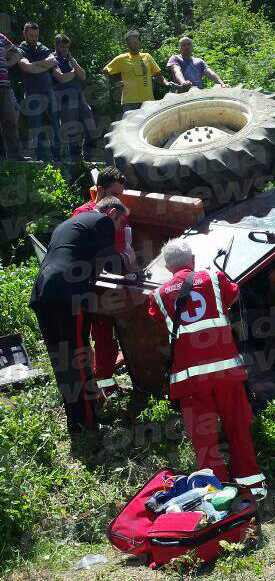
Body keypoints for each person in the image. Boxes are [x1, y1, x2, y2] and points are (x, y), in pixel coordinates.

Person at [147, 239, 266, 498]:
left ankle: (216, 497)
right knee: (238, 429)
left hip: (190, 383)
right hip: (227, 375)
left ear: (167, 268)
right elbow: (233, 294)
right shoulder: (214, 279)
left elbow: (155, 318)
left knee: (205, 443)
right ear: (191, 260)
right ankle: (252, 488)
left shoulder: (158, 295)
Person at [30, 198, 136, 435]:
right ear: (111, 212)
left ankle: (76, 423)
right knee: (78, 360)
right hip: (68, 295)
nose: (118, 229)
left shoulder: (72, 224)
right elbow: (111, 264)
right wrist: (127, 259)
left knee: (63, 362)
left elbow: (91, 264)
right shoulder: (101, 222)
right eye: (120, 223)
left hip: (44, 292)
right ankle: (88, 425)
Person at [72, 167, 131, 397]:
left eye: (121, 194)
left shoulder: (117, 212)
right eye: (114, 193)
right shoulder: (83, 215)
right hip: (95, 287)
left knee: (123, 333)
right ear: (100, 190)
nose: (119, 198)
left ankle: (108, 378)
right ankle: (104, 386)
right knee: (104, 336)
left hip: (118, 281)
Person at [17, 22, 61, 161]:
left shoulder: (42, 46)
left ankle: (57, 157)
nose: (34, 38)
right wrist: (44, 65)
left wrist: (35, 65)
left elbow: (53, 60)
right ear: (24, 34)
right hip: (33, 94)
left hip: (49, 92)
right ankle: (39, 158)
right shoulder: (20, 49)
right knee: (36, 127)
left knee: (55, 125)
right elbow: (27, 67)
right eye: (31, 35)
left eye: (36, 35)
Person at [103, 30, 174, 113]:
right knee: (132, 125)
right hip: (129, 102)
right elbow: (105, 70)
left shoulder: (147, 57)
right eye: (129, 44)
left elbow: (158, 75)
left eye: (135, 43)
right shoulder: (121, 58)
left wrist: (167, 84)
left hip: (148, 101)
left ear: (140, 43)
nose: (132, 46)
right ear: (127, 45)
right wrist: (115, 83)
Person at [52, 34, 99, 161]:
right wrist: (73, 73)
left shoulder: (71, 59)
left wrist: (73, 62)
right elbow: (61, 77)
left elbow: (83, 76)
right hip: (65, 99)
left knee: (91, 126)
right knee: (71, 131)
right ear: (56, 46)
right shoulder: (52, 59)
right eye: (62, 46)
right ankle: (75, 159)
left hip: (79, 97)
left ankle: (89, 155)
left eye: (67, 46)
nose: (64, 49)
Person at [0, 30, 25, 159]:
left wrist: (6, 63)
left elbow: (18, 53)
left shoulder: (2, 38)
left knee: (10, 120)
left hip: (5, 85)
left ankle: (15, 156)